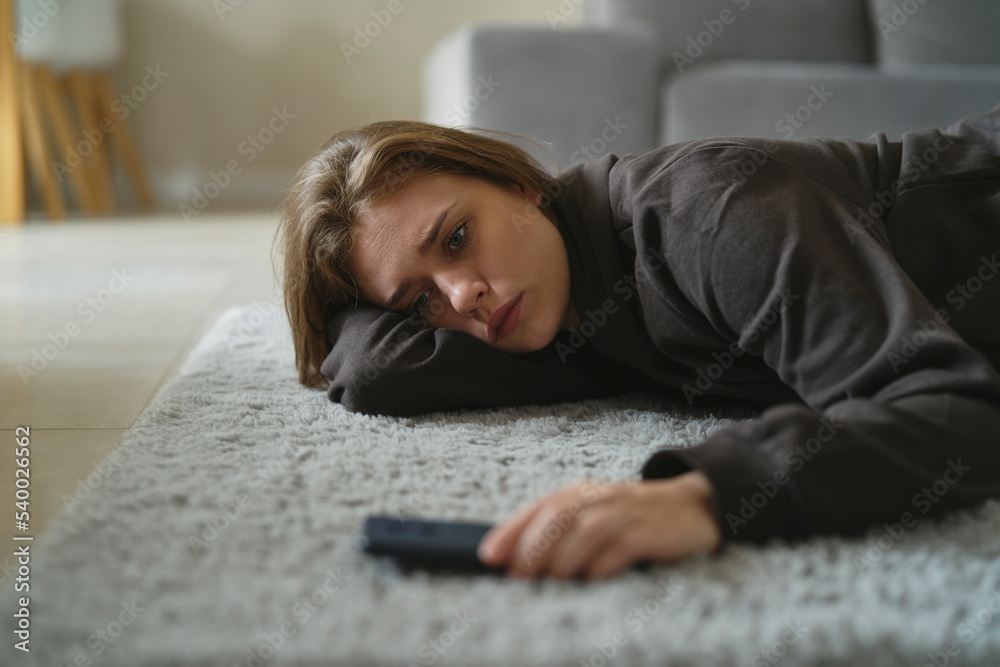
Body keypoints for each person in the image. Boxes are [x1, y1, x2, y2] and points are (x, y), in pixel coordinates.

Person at [272, 105, 1000, 581]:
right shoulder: (557, 310)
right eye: (419, 299)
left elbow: (957, 410)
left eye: (457, 237)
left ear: (520, 184)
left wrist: (708, 493)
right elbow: (375, 367)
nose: (461, 297)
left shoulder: (708, 216)